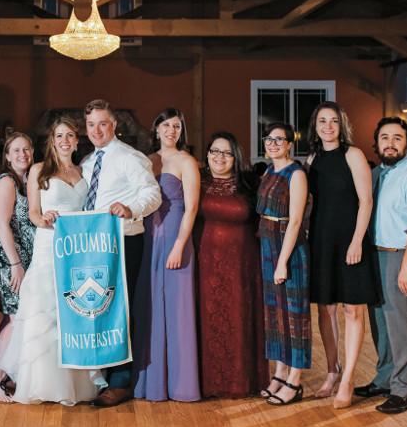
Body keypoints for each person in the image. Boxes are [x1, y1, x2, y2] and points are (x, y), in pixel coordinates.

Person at [0, 116, 106, 405]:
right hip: (48, 244)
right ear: (52, 140)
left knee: (73, 313)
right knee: (44, 315)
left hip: (77, 251)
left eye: (70, 135)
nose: (65, 140)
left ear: (76, 139)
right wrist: (43, 219)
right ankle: (41, 384)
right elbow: (32, 211)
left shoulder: (84, 171)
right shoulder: (39, 170)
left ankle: (75, 383)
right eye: (59, 136)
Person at [80, 99, 162, 407]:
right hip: (92, 245)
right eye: (91, 125)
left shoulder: (131, 157)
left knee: (119, 311)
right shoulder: (86, 162)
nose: (97, 130)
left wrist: (131, 209)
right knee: (96, 308)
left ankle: (121, 381)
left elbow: (152, 194)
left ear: (114, 125)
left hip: (124, 241)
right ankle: (99, 374)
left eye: (103, 123)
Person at [355, 117, 407, 414]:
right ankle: (385, 378)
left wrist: (406, 266)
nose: (390, 143)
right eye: (384, 137)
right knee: (380, 323)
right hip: (375, 255)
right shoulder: (376, 173)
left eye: (397, 138)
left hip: (401, 254)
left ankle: (403, 390)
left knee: (400, 325)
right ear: (376, 143)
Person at [305, 101, 378, 408]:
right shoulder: (312, 158)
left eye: (333, 121)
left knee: (353, 310)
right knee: (325, 309)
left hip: (351, 240)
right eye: (322, 121)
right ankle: (332, 370)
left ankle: (348, 378)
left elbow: (366, 201)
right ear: (316, 126)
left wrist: (357, 240)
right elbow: (309, 203)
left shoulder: (354, 154)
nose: (328, 126)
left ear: (341, 125)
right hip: (322, 239)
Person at [132, 108, 201, 402]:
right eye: (166, 125)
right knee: (148, 305)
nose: (171, 131)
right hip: (148, 236)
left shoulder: (187, 161)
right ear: (156, 129)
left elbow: (192, 207)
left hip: (175, 235)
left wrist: (180, 245)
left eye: (176, 126)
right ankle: (151, 383)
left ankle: (181, 384)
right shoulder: (146, 161)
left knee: (177, 308)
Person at [194, 131, 267, 398]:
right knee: (208, 317)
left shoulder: (250, 184)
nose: (219, 157)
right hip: (206, 263)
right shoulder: (197, 182)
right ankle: (208, 382)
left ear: (235, 157)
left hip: (242, 265)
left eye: (225, 152)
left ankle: (241, 381)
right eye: (214, 151)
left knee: (239, 317)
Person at [256, 122, 310, 406]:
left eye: (280, 140)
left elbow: (297, 220)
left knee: (294, 314)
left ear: (290, 144)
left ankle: (296, 379)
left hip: (288, 248)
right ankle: (279, 373)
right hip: (267, 243)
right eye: (269, 139)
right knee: (274, 315)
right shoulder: (268, 170)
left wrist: (283, 262)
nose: (274, 144)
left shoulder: (296, 174)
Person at [0, 132, 36, 402]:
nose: (22, 155)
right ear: (7, 155)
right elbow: (2, 224)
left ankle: (7, 373)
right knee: (16, 319)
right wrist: (15, 264)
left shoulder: (28, 180)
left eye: (26, 149)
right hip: (11, 260)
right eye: (16, 150)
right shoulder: (6, 182)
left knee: (17, 318)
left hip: (27, 259)